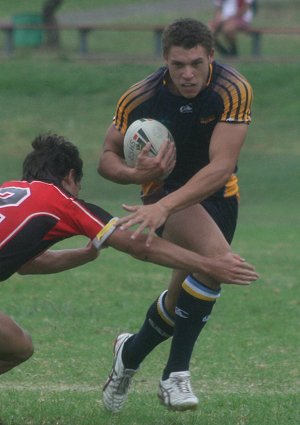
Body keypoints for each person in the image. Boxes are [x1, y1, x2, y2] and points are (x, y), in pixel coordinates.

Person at [0, 133, 258, 377]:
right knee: (18, 347)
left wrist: (85, 255)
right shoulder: (63, 203)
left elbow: (28, 263)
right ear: (69, 177)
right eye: (78, 185)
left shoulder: (9, 190)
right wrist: (209, 264)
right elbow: (139, 246)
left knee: (17, 343)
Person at [98, 18, 257, 412]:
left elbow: (221, 167)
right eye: (178, 65)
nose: (188, 74)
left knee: (177, 303)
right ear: (164, 61)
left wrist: (165, 208)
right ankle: (175, 376)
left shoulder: (232, 89)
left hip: (220, 197)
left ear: (212, 57)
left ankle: (128, 355)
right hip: (165, 194)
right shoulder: (141, 97)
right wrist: (137, 176)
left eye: (197, 64)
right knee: (214, 265)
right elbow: (105, 159)